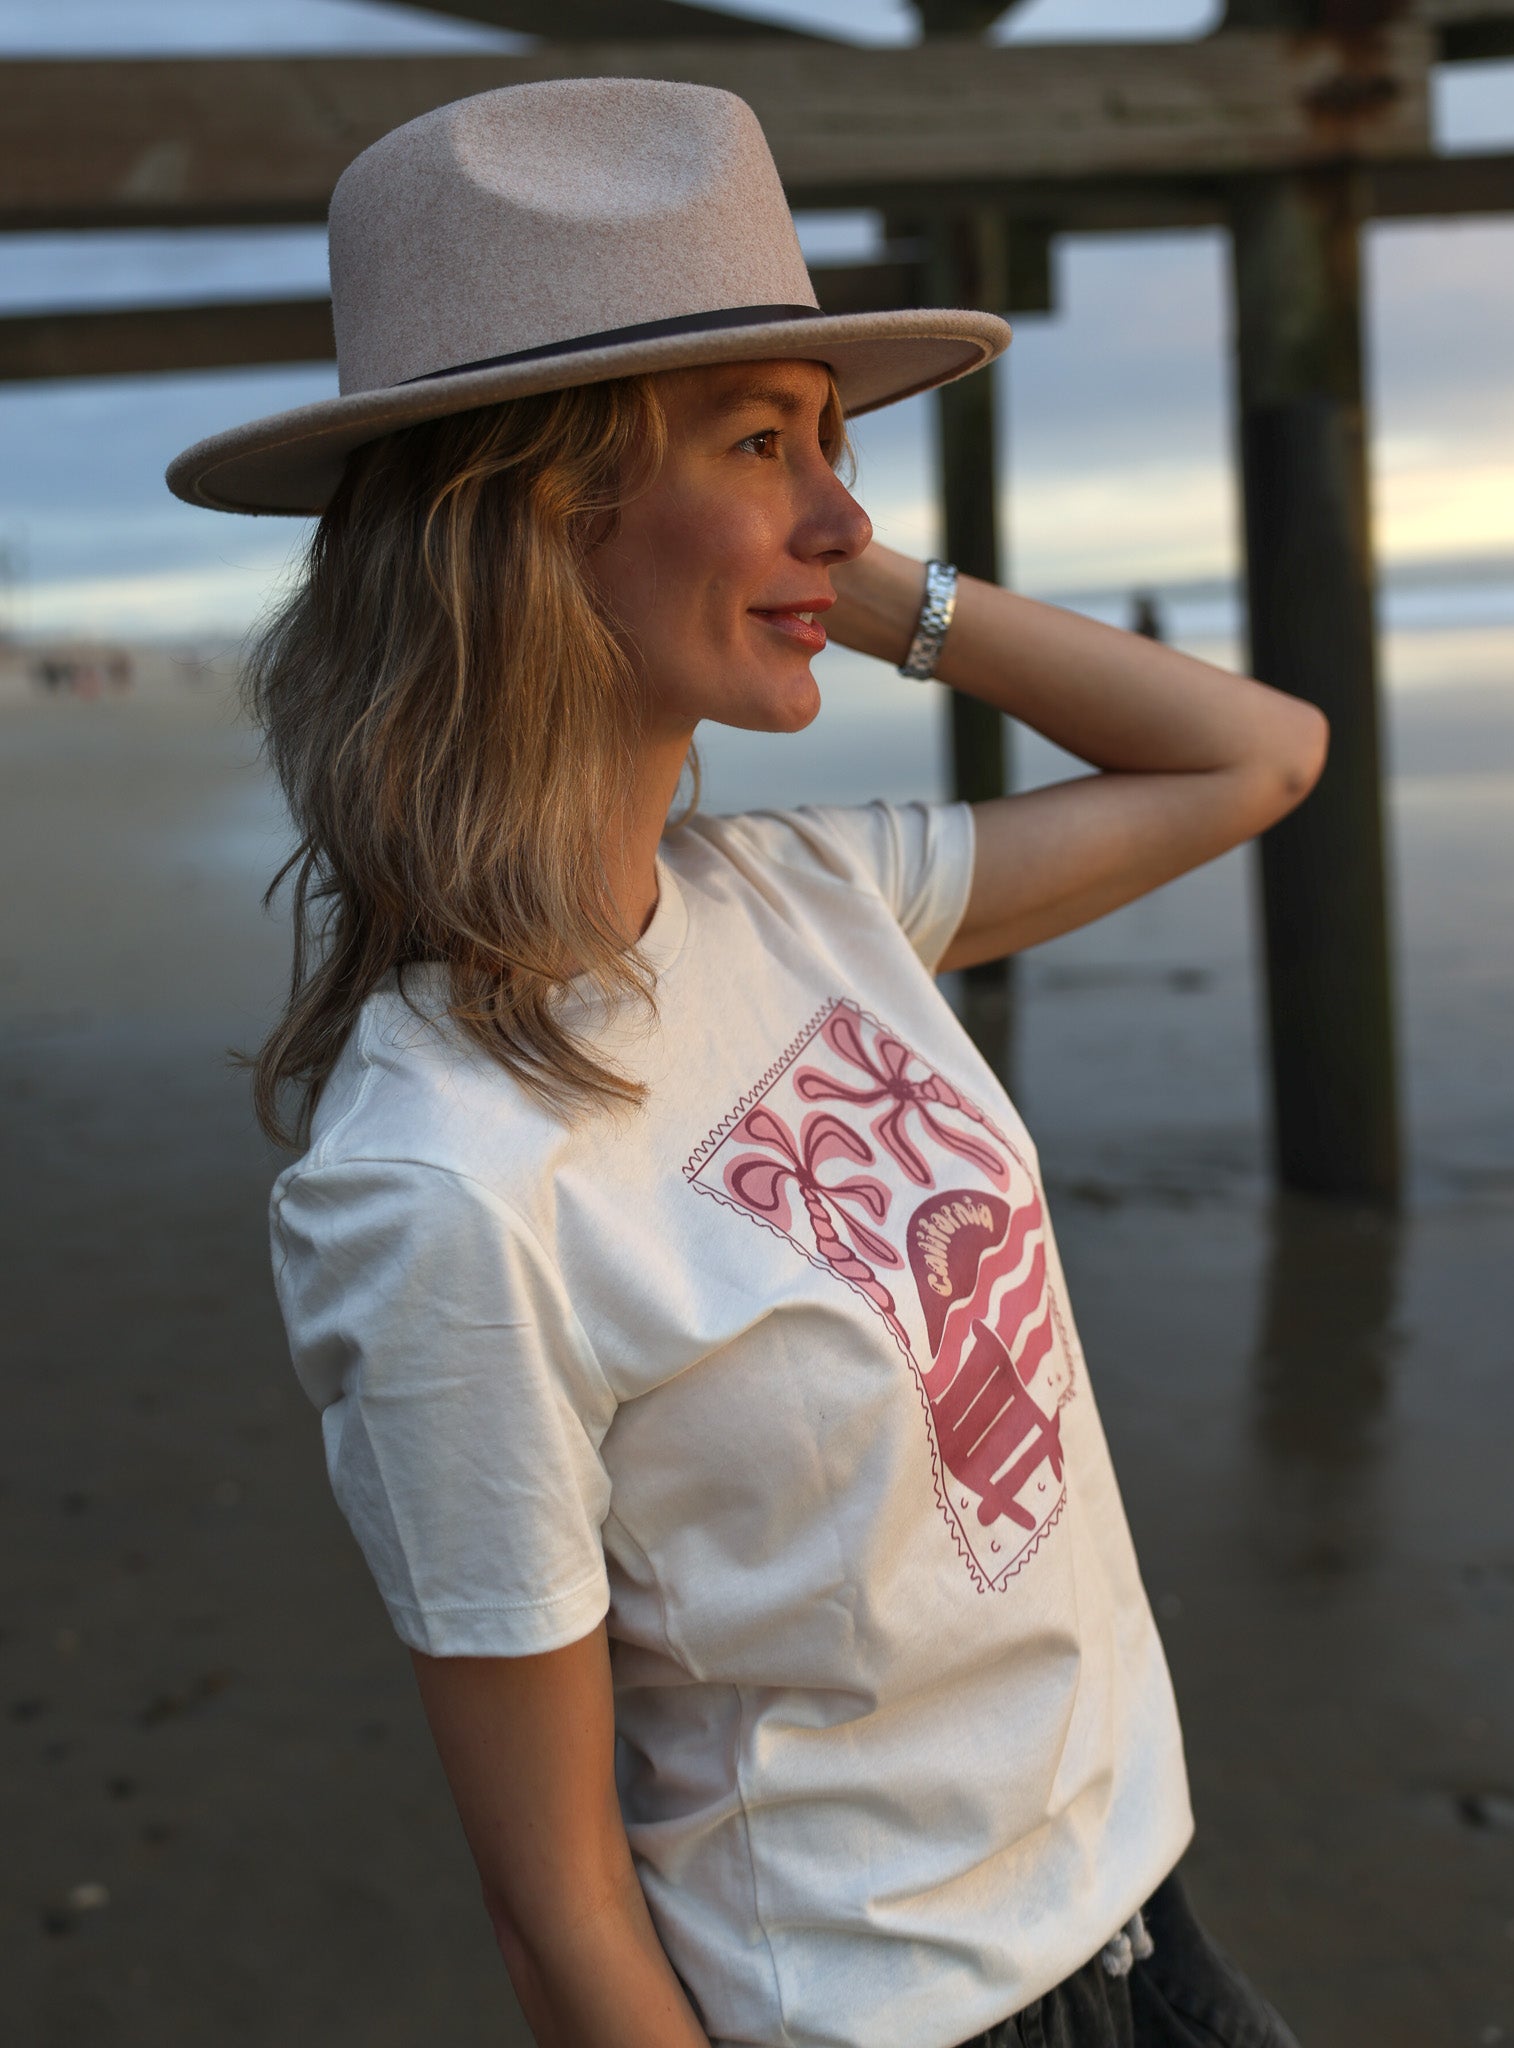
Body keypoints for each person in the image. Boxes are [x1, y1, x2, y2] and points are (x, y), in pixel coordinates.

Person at [168, 78, 1322, 2048]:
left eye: (835, 440)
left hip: (1144, 1907)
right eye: (761, 440)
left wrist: (828, 576)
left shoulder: (794, 898)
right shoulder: (445, 1185)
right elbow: (560, 1917)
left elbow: (1256, 756)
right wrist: (751, 562)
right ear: (534, 506)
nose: (846, 502)